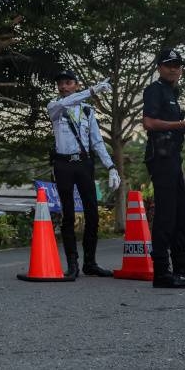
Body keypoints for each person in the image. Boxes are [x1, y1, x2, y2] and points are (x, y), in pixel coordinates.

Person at [141, 48, 185, 288]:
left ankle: (181, 266)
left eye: (177, 65)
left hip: (172, 157)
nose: (173, 68)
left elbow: (171, 126)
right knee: (167, 213)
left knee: (181, 214)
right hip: (160, 158)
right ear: (159, 67)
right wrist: (181, 123)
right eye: (169, 64)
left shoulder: (172, 92)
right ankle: (161, 272)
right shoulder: (154, 90)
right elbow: (148, 123)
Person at [47, 70, 121, 278]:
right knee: (68, 215)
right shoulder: (55, 107)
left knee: (93, 214)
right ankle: (72, 265)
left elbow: (97, 142)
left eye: (68, 82)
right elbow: (67, 102)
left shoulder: (88, 111)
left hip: (84, 164)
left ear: (76, 85)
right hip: (63, 165)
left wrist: (111, 167)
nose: (63, 87)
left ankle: (91, 262)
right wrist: (93, 90)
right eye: (60, 83)